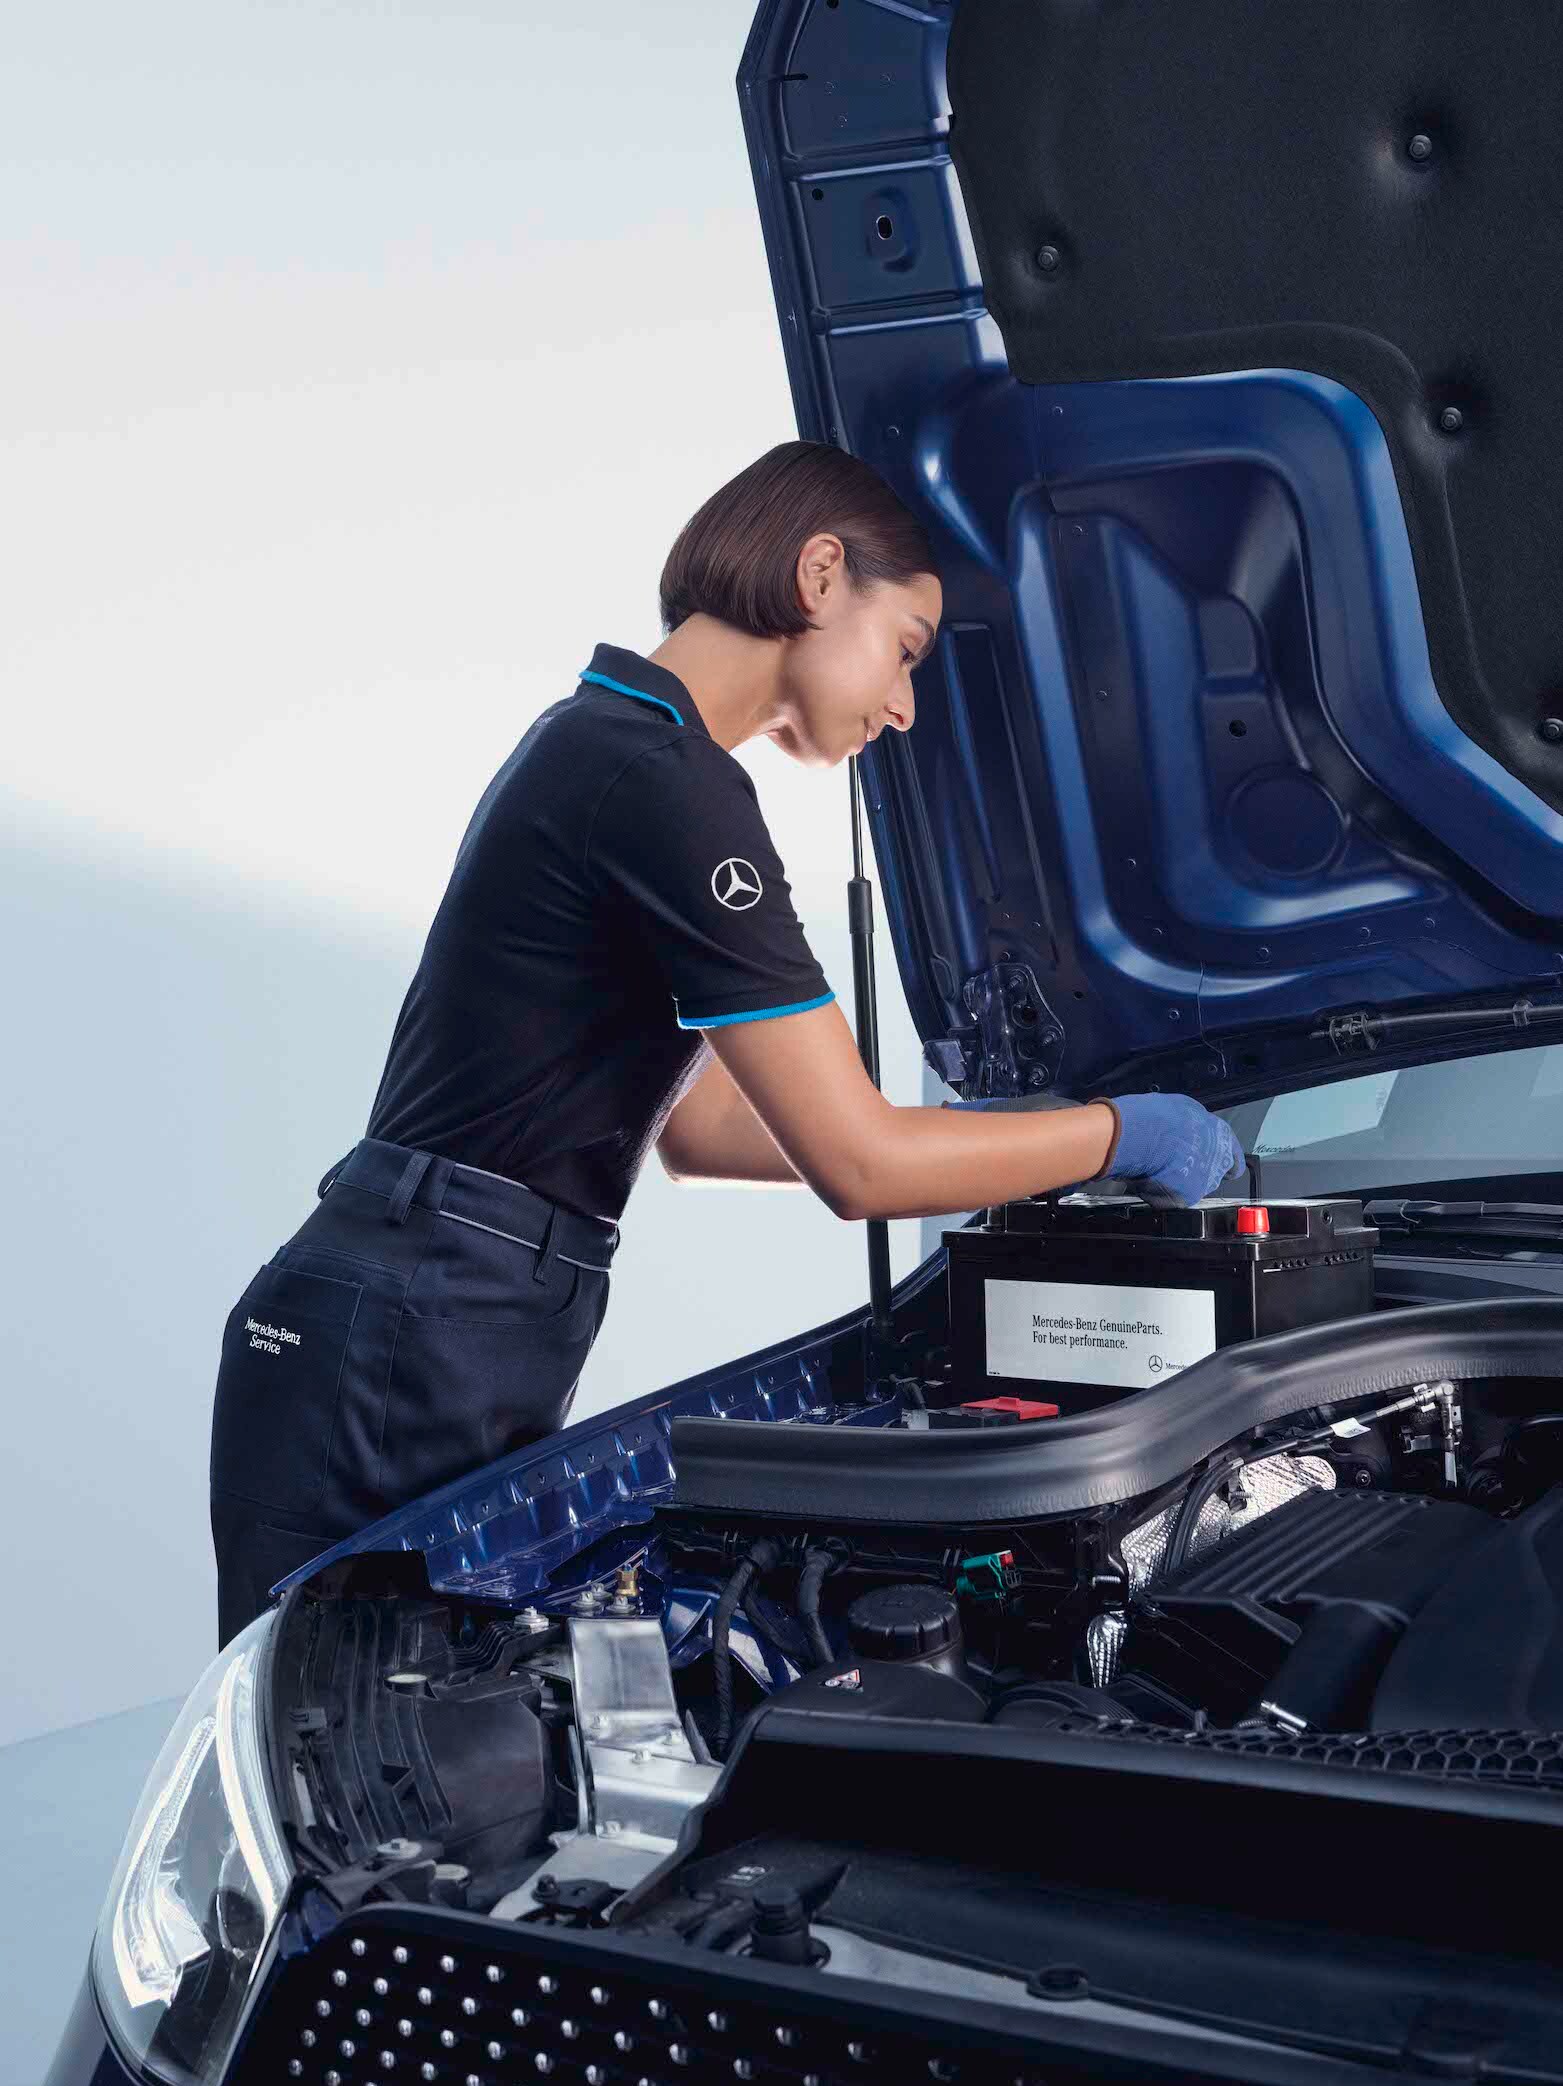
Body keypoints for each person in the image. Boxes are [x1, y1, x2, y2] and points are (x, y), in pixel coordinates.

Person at [208, 439, 1241, 1646]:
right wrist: (1122, 1131)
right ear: (817, 577)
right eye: (905, 650)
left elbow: (698, 1130)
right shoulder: (660, 778)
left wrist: (1012, 1138)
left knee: (408, 1763)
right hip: (408, 1329)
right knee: (366, 1770)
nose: (904, 707)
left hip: (431, 1313)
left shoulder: (610, 748)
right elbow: (861, 1168)